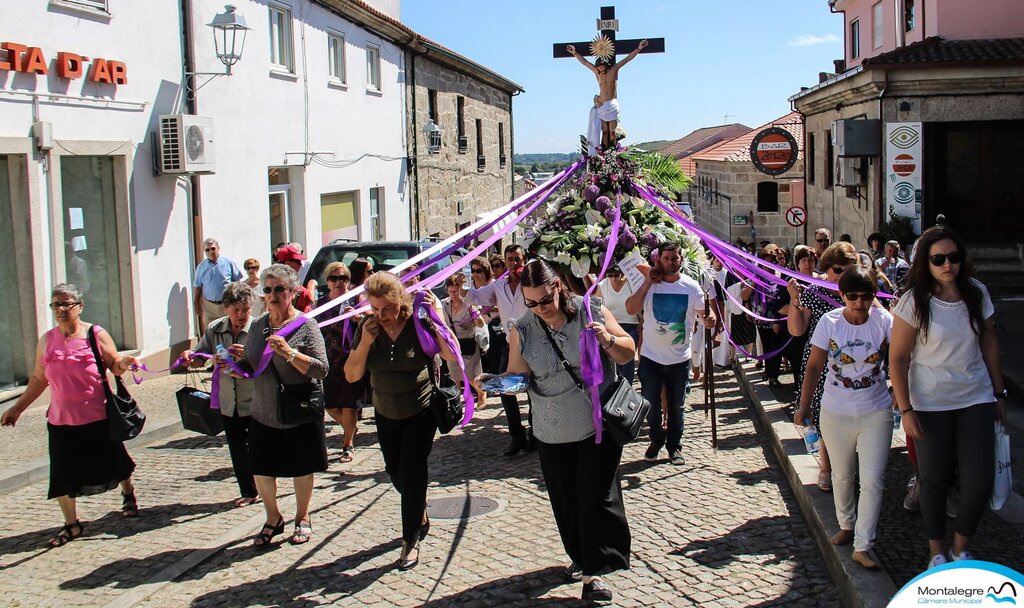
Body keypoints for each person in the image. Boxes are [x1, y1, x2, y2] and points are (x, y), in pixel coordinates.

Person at [479, 259, 635, 603]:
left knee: (593, 498)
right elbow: (519, 377)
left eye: (544, 301)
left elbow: (627, 352)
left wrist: (607, 339)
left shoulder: (590, 310)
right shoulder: (522, 327)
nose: (539, 309)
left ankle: (594, 575)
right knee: (566, 502)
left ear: (558, 288)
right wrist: (489, 385)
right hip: (551, 432)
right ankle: (581, 556)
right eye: (531, 303)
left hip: (597, 427)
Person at [889, 225, 1008, 569]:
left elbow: (989, 342)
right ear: (925, 262)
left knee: (979, 478)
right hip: (929, 403)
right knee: (933, 479)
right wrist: (906, 407)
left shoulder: (976, 293)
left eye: (953, 257)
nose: (947, 265)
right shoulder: (913, 302)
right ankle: (936, 551)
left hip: (976, 396)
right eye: (938, 258)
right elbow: (898, 357)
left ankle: (961, 546)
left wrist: (999, 393)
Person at [1, 284, 140, 546]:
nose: (61, 309)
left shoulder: (95, 334)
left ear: (80, 306)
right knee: (62, 474)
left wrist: (125, 363)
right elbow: (38, 378)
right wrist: (17, 408)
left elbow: (114, 365)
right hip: (61, 420)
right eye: (56, 304)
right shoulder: (47, 340)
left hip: (97, 415)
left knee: (116, 461)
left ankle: (128, 493)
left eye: (66, 304)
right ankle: (72, 525)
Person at [344, 272, 457, 571]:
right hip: (385, 412)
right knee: (395, 472)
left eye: (387, 309)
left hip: (419, 410)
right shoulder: (368, 328)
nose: (381, 316)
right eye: (375, 309)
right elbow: (352, 374)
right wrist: (366, 340)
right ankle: (418, 510)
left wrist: (439, 320)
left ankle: (410, 540)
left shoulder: (418, 322)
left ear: (400, 302)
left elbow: (450, 355)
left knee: (412, 470)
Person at [797, 268, 894, 570]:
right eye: (852, 296)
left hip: (876, 410)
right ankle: (846, 524)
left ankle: (863, 545)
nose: (859, 303)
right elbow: (814, 365)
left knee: (874, 481)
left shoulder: (884, 321)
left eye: (866, 297)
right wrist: (803, 405)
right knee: (841, 475)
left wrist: (900, 395)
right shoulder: (830, 322)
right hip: (835, 410)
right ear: (842, 296)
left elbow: (898, 358)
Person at [241, 264, 328, 547]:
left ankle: (303, 517)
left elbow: (321, 369)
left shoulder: (306, 325)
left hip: (297, 409)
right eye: (268, 290)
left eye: (279, 289)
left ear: (293, 292)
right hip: (263, 410)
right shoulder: (257, 326)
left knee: (301, 466)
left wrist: (290, 354)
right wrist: (231, 364)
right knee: (262, 468)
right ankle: (273, 517)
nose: (273, 295)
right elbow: (251, 364)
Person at [626, 242, 716, 466]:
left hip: (679, 358)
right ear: (659, 260)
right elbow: (631, 308)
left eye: (674, 258)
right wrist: (647, 281)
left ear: (681, 260)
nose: (670, 262)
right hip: (650, 358)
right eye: (666, 258)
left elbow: (707, 312)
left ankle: (674, 446)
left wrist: (710, 318)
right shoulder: (650, 286)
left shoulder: (691, 286)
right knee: (650, 403)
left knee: (677, 405)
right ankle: (655, 440)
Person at [180, 281, 259, 507]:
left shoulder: (257, 329)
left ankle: (262, 484)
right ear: (226, 308)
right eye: (237, 310)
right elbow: (199, 354)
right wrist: (190, 356)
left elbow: (265, 363)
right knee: (237, 448)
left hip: (254, 399)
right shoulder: (215, 329)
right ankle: (249, 490)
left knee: (256, 447)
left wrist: (246, 357)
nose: (242, 314)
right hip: (228, 401)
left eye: (246, 309)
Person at [787, 242, 858, 493]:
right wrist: (794, 300)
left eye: (850, 269)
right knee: (824, 417)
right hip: (823, 361)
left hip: (856, 361)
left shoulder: (862, 291)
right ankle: (826, 468)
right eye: (838, 269)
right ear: (827, 269)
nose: (843, 275)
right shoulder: (814, 291)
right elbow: (797, 330)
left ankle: (851, 465)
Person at [463, 244, 535, 456]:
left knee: (534, 391)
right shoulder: (500, 286)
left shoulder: (531, 281)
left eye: (517, 259)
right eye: (510, 260)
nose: (514, 264)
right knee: (505, 390)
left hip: (533, 341)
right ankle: (517, 435)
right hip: (510, 343)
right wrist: (461, 289)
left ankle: (536, 435)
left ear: (524, 260)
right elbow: (476, 297)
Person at [314, 262, 367, 464]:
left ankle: (348, 444)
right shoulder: (319, 305)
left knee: (349, 404)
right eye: (334, 278)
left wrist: (357, 317)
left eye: (343, 278)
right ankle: (350, 427)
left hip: (351, 361)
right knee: (330, 405)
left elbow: (370, 320)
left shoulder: (356, 298)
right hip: (327, 362)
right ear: (327, 281)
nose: (339, 282)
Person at [566, 39, 649, 152]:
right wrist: (575, 53)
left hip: (612, 104)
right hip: (602, 105)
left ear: (605, 64)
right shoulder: (597, 73)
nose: (599, 69)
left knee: (612, 131)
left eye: (601, 66)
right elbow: (585, 62)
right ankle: (604, 152)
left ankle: (613, 151)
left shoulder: (614, 70)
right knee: (604, 131)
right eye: (598, 67)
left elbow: (627, 59)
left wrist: (639, 48)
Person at [442, 275, 486, 406]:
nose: (453, 294)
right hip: (453, 345)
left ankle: (481, 393)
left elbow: (481, 324)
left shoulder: (469, 304)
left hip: (468, 344)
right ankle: (458, 401)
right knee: (455, 375)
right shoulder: (444, 304)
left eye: (455, 291)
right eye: (450, 291)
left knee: (471, 376)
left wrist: (476, 316)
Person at [594, 266, 639, 384]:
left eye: (617, 275)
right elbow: (596, 304)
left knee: (627, 361)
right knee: (612, 360)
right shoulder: (603, 285)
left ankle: (627, 386)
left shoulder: (632, 283)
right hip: (612, 327)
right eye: (610, 275)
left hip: (631, 325)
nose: (613, 278)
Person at [193, 238, 243, 333]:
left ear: (218, 248)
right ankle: (213, 348)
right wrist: (196, 303)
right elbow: (198, 286)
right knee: (210, 331)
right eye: (207, 250)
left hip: (226, 304)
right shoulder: (201, 267)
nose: (210, 252)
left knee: (228, 330)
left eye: (213, 248)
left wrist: (238, 300)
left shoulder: (228, 263)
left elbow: (238, 282)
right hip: (209, 306)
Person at [469, 256, 503, 375]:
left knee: (493, 345)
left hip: (492, 323)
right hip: (474, 325)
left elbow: (504, 306)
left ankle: (494, 376)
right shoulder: (469, 286)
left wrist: (490, 308)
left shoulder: (494, 285)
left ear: (486, 271)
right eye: (473, 270)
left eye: (479, 271)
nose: (475, 274)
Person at [274, 245, 314, 313]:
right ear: (288, 264)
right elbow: (309, 299)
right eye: (298, 262)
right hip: (296, 322)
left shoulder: (276, 279)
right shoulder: (287, 281)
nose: (301, 265)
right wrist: (311, 285)